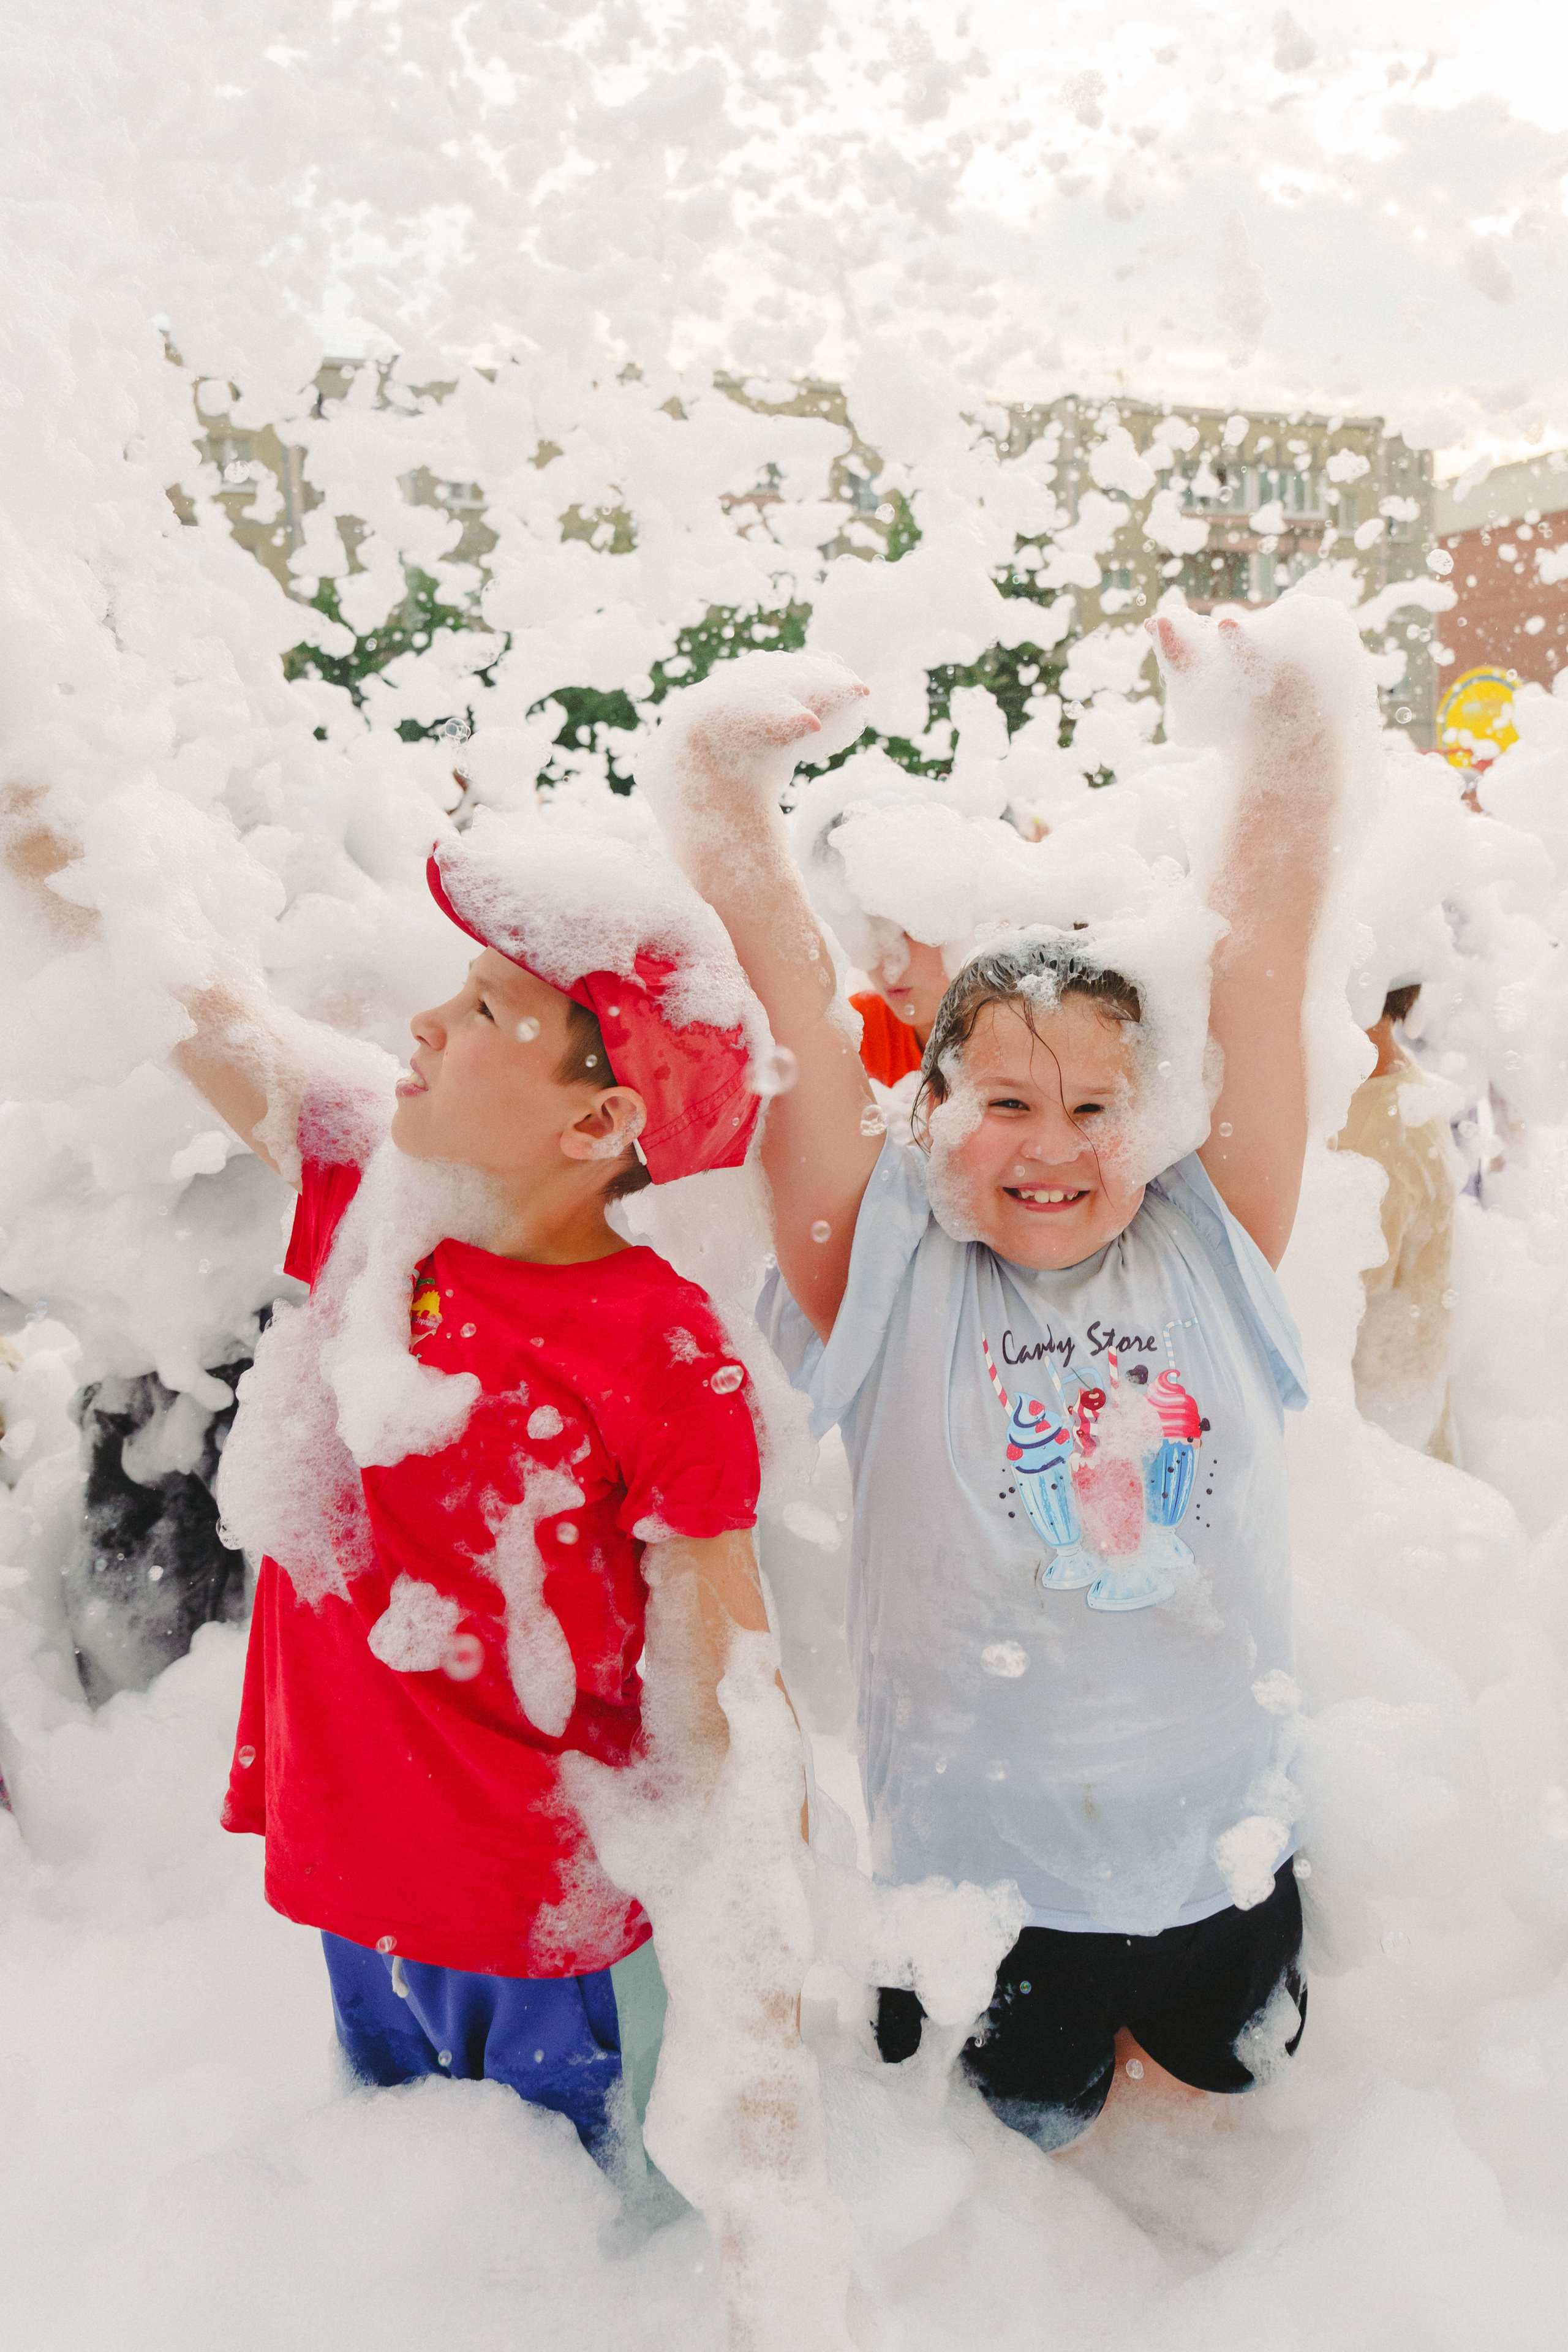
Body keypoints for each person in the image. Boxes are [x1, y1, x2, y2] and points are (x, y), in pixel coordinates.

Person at [1, 791, 791, 2171]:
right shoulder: (377, 1189)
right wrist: (46, 822)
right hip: (351, 1863)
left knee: (561, 2215)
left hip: (542, 1914)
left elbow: (720, 1662)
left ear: (598, 1118)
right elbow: (210, 1012)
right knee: (410, 2200)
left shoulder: (662, 1350)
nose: (428, 1023)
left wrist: (752, 1943)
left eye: (490, 1012)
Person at [643, 612, 1340, 2152]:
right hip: (983, 1891)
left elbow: (1262, 964)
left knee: (1218, 2161)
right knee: (1006, 2193)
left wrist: (1287, 726)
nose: (1052, 1141)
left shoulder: (1208, 1236)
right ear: (929, 1112)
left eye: (1097, 1102)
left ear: (1151, 1119)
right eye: (1005, 1098)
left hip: (1220, 1843)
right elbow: (797, 1031)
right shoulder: (886, 1277)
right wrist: (716, 789)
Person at [1332, 982, 1458, 1460]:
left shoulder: (1370, 1132)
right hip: (1415, 1418)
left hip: (1383, 1442)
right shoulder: (1397, 1078)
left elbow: (1340, 1306)